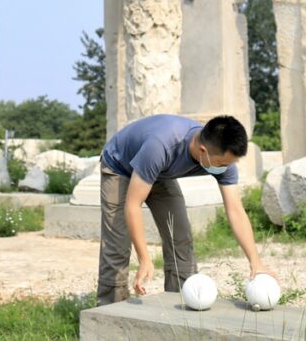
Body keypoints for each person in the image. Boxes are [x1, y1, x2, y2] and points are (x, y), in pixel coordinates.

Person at [97, 113, 276, 305]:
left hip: (160, 174)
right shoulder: (162, 145)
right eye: (222, 164)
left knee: (180, 237)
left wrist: (255, 261)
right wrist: (144, 258)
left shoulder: (225, 161)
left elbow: (235, 210)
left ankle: (182, 304)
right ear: (202, 150)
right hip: (120, 167)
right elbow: (133, 205)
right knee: (117, 245)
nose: (226, 168)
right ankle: (109, 310)